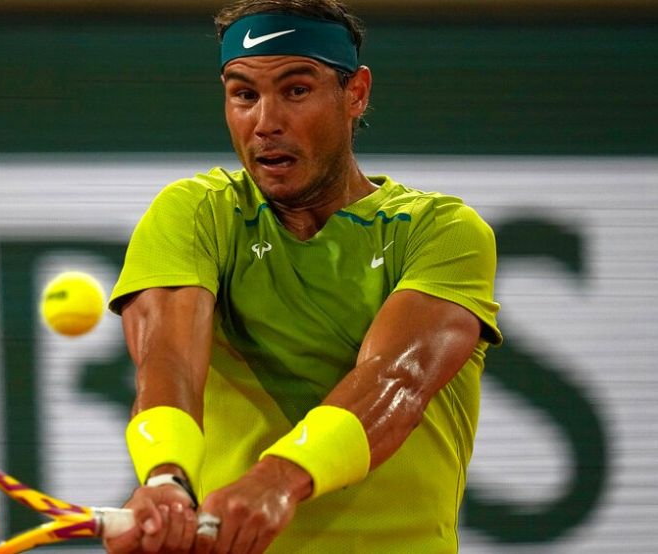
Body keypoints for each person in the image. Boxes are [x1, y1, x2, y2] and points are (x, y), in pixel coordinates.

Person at [103, 1, 502, 552]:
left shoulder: (440, 231)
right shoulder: (196, 212)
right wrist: (167, 478)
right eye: (244, 94)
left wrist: (278, 480)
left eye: (295, 91)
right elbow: (167, 363)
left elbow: (396, 383)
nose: (265, 122)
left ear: (355, 93)